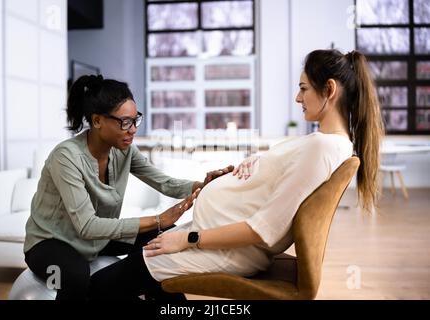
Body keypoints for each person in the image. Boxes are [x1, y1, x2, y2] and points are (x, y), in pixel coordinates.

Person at [88, 49, 384, 300]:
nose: (297, 97)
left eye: (304, 88)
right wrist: (259, 163)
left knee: (99, 288)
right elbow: (285, 179)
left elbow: (263, 229)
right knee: (139, 253)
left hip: (225, 250)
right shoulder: (331, 144)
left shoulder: (322, 146)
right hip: (212, 236)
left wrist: (187, 239)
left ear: (329, 90)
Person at [23, 75, 233, 300]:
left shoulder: (124, 151)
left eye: (135, 120)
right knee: (75, 277)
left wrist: (202, 185)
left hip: (95, 241)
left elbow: (164, 182)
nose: (133, 129)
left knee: (162, 240)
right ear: (97, 121)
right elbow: (87, 226)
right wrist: (157, 219)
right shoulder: (66, 157)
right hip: (51, 241)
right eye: (125, 122)